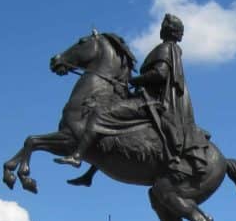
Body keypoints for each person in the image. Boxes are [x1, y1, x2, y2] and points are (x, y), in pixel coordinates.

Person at [55, 14, 208, 179]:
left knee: (101, 114)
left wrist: (134, 80)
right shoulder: (173, 50)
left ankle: (77, 156)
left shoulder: (165, 49)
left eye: (163, 26)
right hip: (153, 100)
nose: (161, 29)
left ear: (167, 30)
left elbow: (160, 73)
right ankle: (89, 175)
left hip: (152, 102)